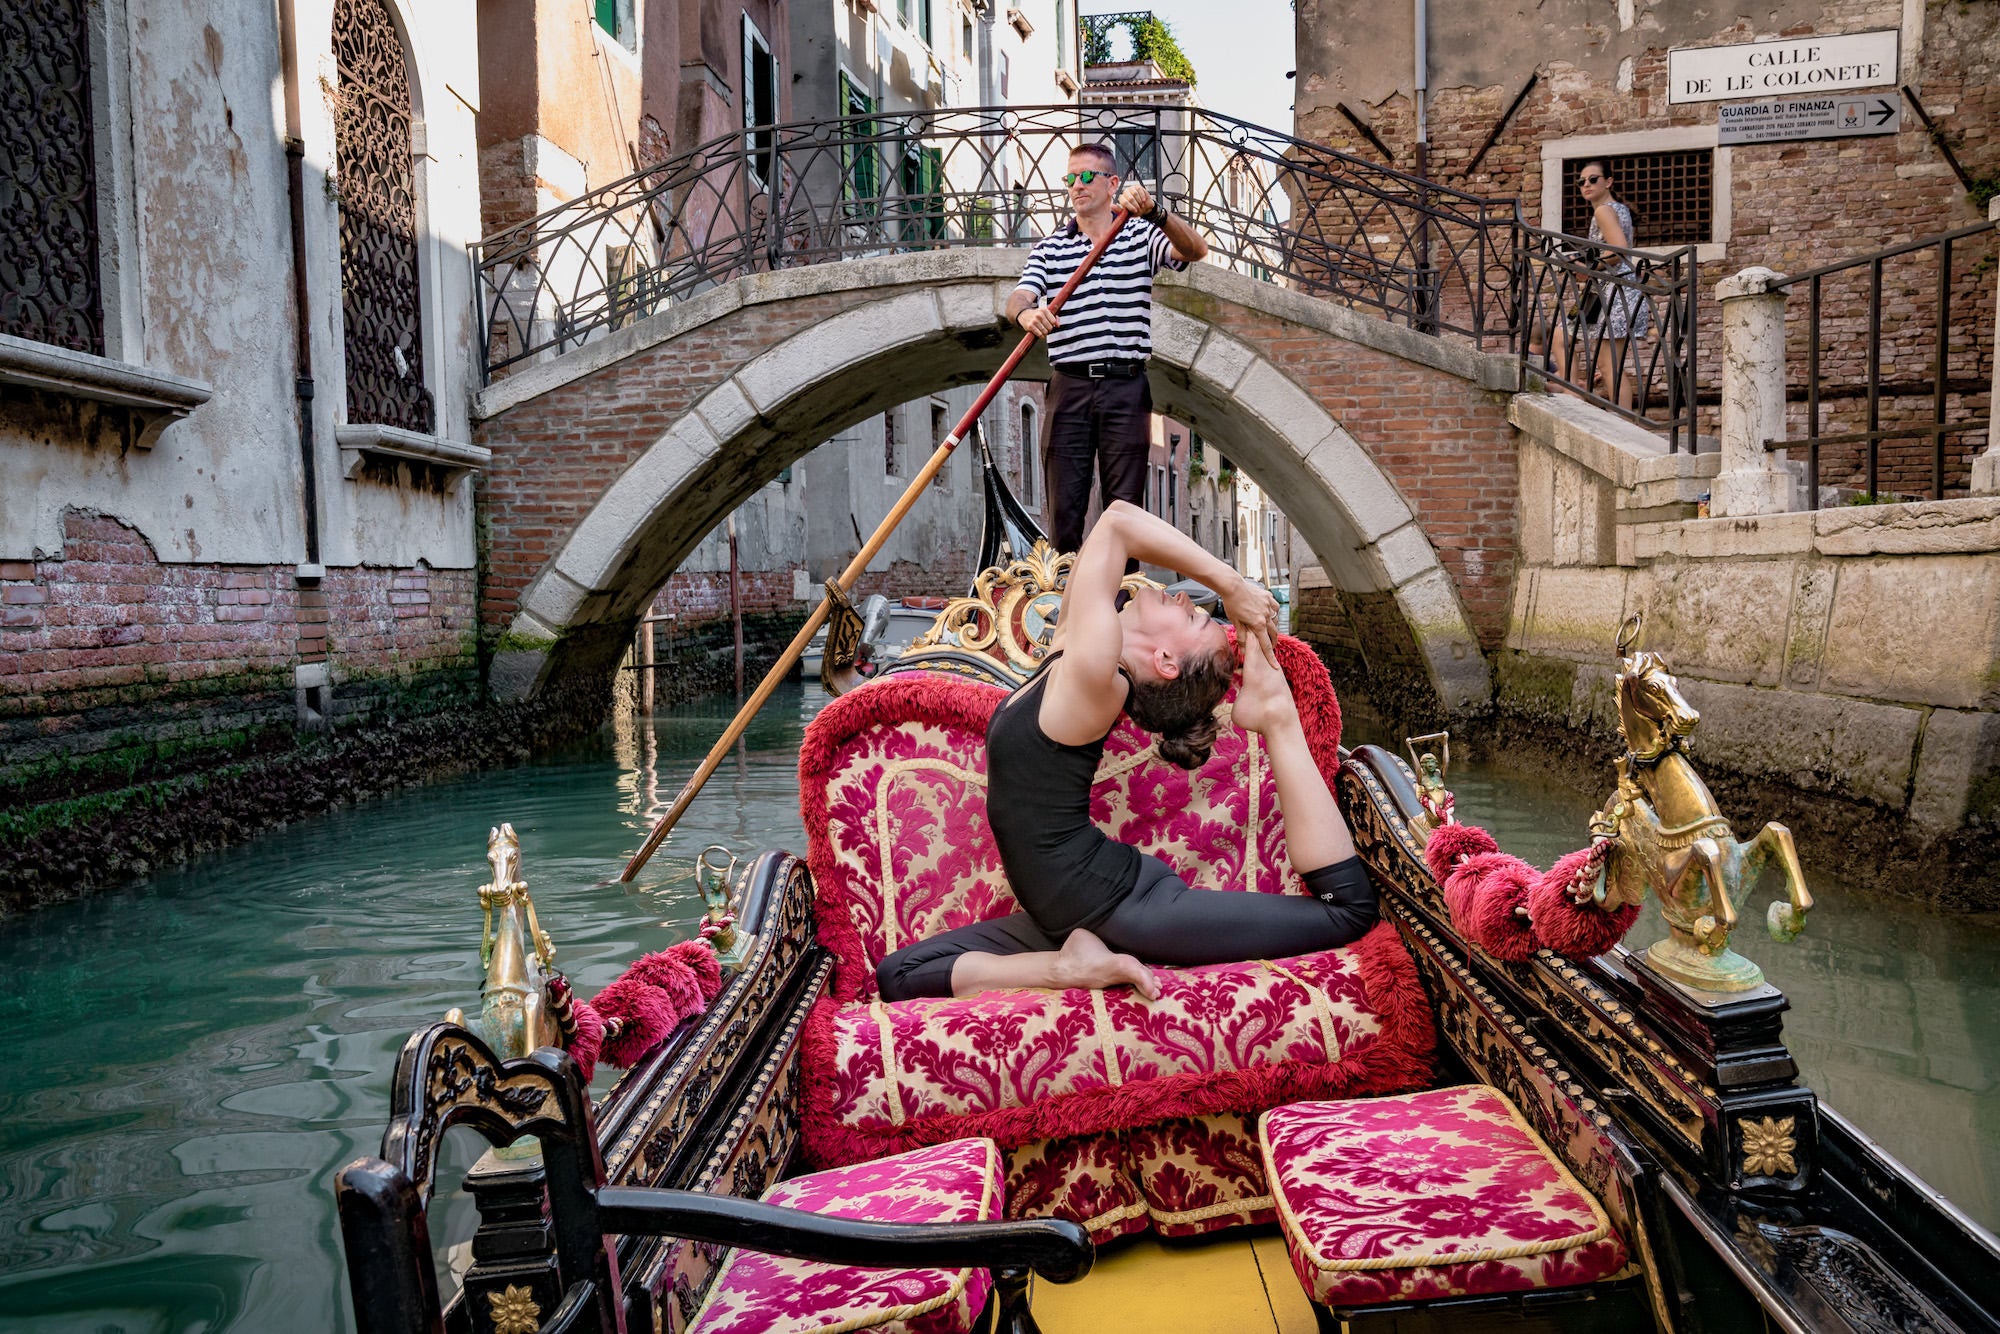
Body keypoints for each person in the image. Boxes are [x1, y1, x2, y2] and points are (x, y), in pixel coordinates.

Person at [874, 500, 1379, 1003]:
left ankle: (1277, 714)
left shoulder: (1096, 680)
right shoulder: (1075, 656)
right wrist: (1233, 587)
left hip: (1120, 905)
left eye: (1195, 618)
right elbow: (1112, 524)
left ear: (1164, 659)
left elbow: (1117, 525)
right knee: (901, 972)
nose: (1183, 600)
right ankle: (1066, 964)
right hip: (1072, 903)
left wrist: (1233, 587)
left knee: (1348, 910)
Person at [1008, 144, 1209, 562]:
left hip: (1125, 387)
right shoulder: (1049, 250)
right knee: (1065, 509)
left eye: (1086, 177)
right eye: (1069, 179)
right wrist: (1028, 315)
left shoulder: (1139, 236)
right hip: (1069, 386)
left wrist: (1156, 212)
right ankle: (1064, 604)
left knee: (1124, 508)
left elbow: (1195, 250)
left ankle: (1124, 607)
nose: (1076, 187)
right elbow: (1018, 297)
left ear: (1112, 183)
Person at [1547, 159, 1653, 412]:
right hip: (1599, 292)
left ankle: (1621, 419)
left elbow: (1619, 249)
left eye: (1593, 179)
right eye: (1581, 181)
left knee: (1608, 365)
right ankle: (1575, 395)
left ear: (1608, 182)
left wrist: (1589, 268)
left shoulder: (1604, 210)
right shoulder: (1617, 209)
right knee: (1562, 335)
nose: (1586, 184)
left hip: (1616, 294)